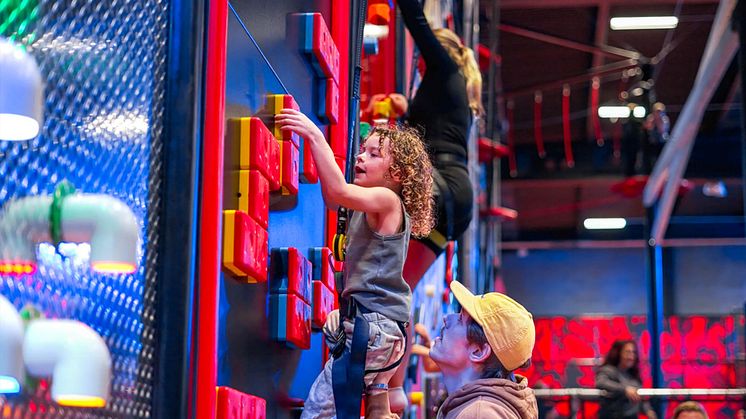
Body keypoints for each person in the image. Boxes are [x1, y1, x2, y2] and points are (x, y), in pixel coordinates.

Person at [276, 109, 434, 418]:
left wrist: (314, 134)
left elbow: (337, 191)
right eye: (362, 150)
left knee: (320, 410)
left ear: (397, 174)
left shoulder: (388, 201)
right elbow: (334, 199)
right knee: (375, 406)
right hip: (381, 327)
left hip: (374, 326)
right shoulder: (372, 204)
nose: (361, 158)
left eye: (374, 154)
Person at [385, 0, 484, 410]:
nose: (420, 71)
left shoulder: (444, 69)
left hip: (437, 186)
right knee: (398, 288)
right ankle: (392, 389)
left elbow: (414, 16)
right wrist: (405, 112)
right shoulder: (454, 89)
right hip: (455, 197)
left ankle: (388, 386)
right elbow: (434, 127)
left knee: (389, 285)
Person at [427, 280, 538, 419]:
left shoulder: (478, 414)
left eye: (461, 319)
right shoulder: (481, 408)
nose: (447, 318)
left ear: (478, 352)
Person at [595, 339, 657, 419]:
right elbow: (601, 382)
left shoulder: (634, 376)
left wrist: (648, 411)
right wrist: (625, 389)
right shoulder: (609, 370)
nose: (631, 356)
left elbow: (640, 399)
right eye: (627, 352)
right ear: (618, 353)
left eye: (633, 352)